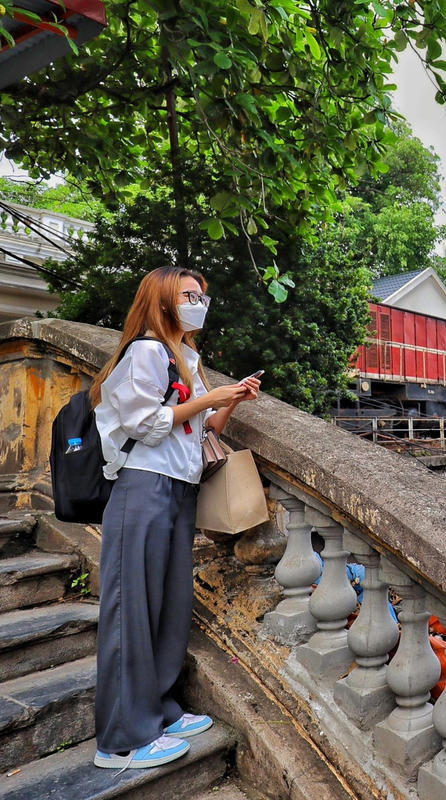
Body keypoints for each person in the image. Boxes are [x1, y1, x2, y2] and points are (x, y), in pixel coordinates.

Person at [90, 267, 261, 770]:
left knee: (169, 604)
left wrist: (230, 398)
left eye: (202, 296)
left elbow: (201, 429)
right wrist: (209, 397)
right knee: (133, 606)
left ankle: (160, 710)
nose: (199, 303)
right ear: (163, 301)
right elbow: (145, 424)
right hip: (142, 485)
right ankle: (120, 739)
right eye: (189, 295)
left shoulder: (187, 358)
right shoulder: (144, 352)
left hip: (179, 487)